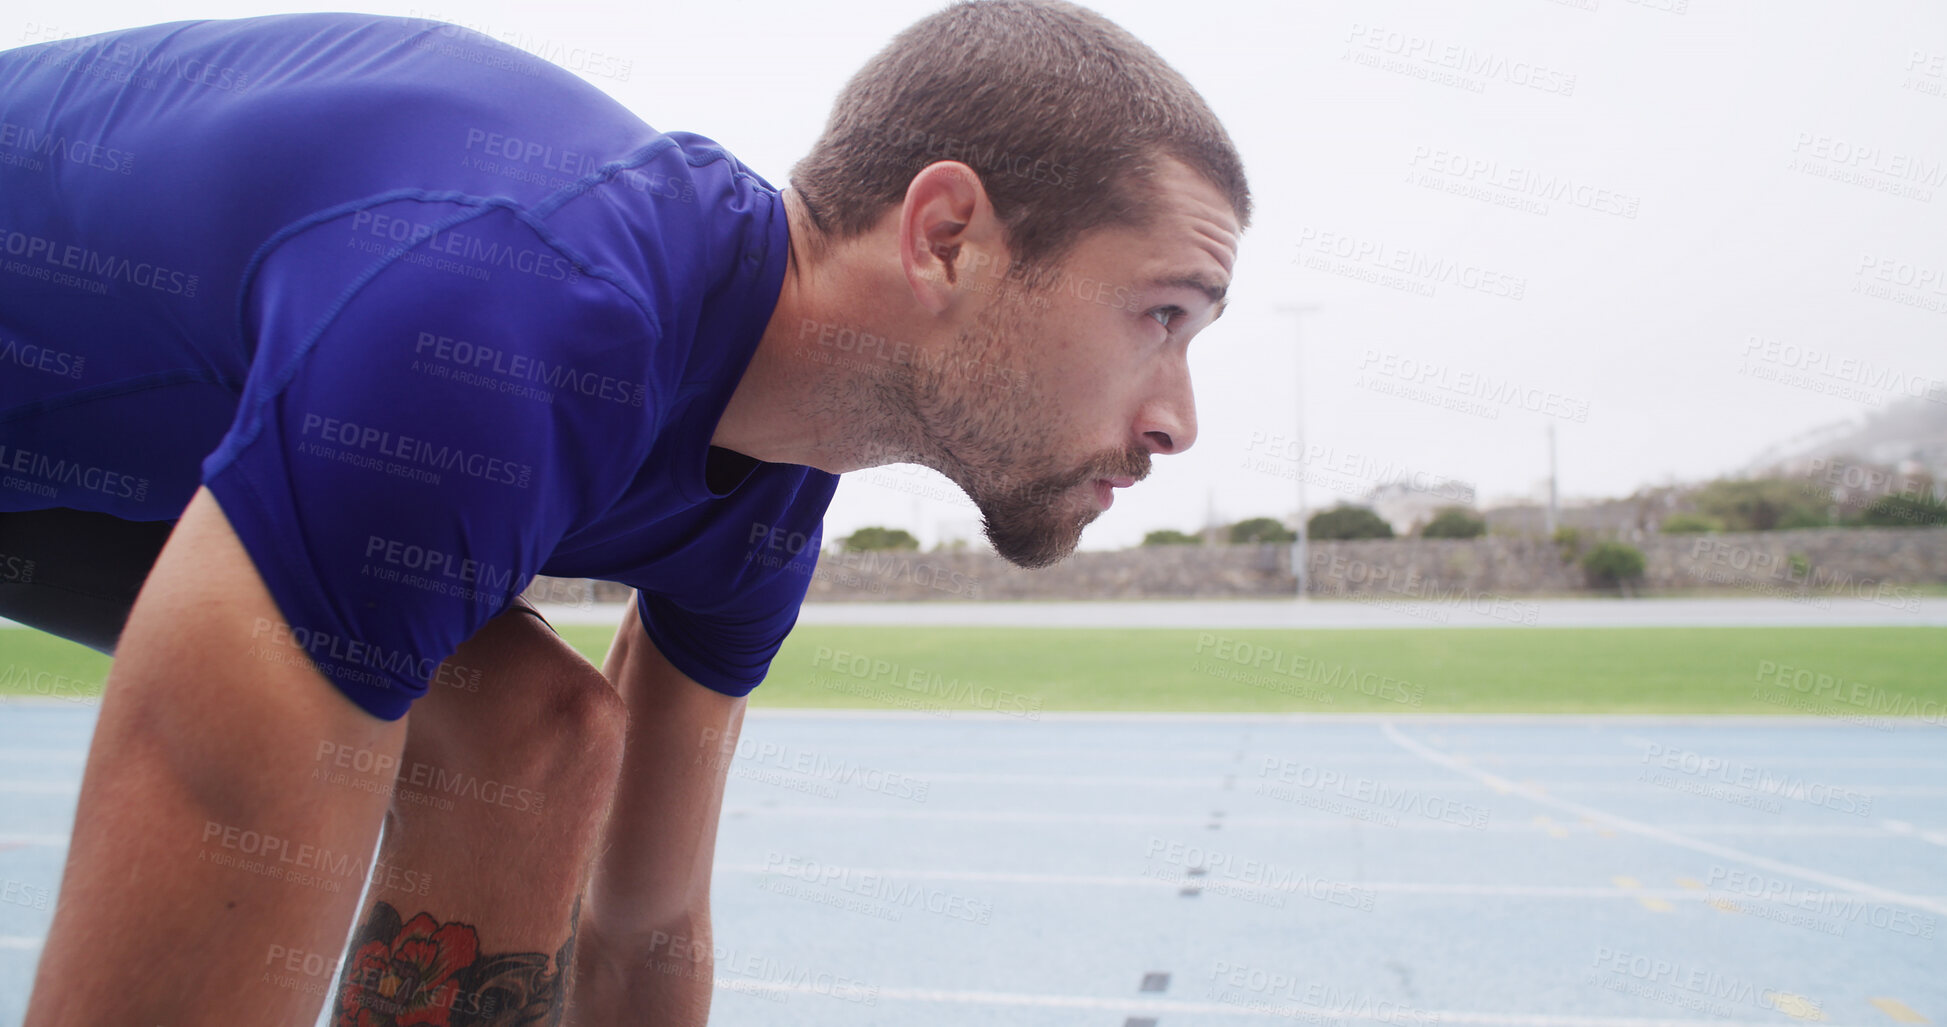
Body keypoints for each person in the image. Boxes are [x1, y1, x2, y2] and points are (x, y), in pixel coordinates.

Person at [1, 1, 1249, 1022]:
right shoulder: (517, 317)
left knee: (532, 736)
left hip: (92, 456)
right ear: (948, 238)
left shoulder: (768, 492)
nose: (1178, 421)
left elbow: (643, 927)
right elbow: (209, 814)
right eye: (1164, 315)